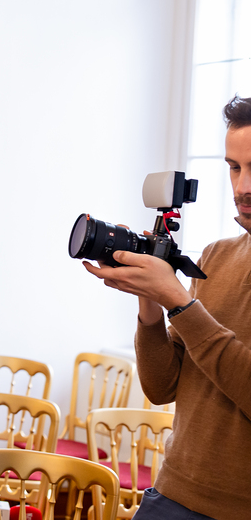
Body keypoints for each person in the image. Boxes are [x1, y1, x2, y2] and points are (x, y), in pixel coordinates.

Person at [84, 95, 251, 520]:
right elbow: (162, 387)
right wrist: (150, 300)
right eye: (234, 167)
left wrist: (178, 300)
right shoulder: (216, 256)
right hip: (172, 491)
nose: (242, 187)